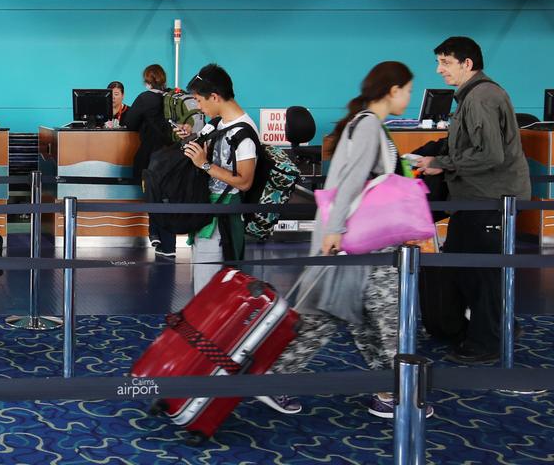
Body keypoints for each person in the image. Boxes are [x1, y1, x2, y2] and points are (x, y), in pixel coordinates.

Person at [260, 61, 429, 419]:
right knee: (382, 316)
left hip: (351, 237)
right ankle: (392, 391)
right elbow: (352, 182)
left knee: (349, 316)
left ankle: (386, 389)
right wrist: (335, 231)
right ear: (393, 89)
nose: (410, 97)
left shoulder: (365, 124)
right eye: (408, 90)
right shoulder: (369, 126)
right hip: (356, 239)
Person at [420, 36, 530, 365]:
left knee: (480, 273)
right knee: (462, 266)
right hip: (474, 198)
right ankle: (499, 326)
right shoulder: (473, 96)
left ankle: (488, 342)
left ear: (467, 64)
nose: (439, 70)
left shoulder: (481, 96)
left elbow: (490, 155)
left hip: (490, 199)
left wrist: (441, 164)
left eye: (446, 62)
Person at [179, 64, 257, 293]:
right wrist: (191, 139)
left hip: (223, 221)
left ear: (214, 96)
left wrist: (204, 164)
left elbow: (245, 181)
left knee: (210, 290)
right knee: (202, 284)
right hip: (208, 213)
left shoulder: (244, 134)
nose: (199, 108)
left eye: (200, 101)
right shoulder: (218, 123)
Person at [122, 65, 173, 256]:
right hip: (173, 154)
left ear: (147, 80)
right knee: (166, 197)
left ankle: (155, 233)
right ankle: (166, 243)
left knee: (152, 193)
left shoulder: (145, 98)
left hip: (151, 154)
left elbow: (130, 123)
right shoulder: (171, 97)